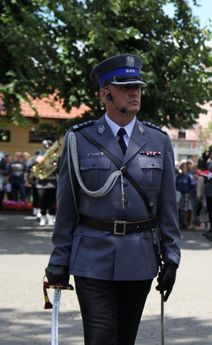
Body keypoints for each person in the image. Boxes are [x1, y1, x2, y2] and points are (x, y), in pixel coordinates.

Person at [44, 54, 181, 345]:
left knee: (125, 338)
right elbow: (67, 206)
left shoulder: (158, 140)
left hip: (140, 256)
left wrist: (172, 258)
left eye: (138, 87)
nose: (135, 92)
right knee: (100, 338)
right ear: (104, 93)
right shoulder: (79, 139)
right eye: (125, 86)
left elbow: (168, 204)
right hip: (92, 255)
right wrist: (59, 260)